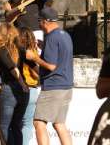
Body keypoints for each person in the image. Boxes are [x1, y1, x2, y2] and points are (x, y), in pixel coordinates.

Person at [25, 7, 73, 145]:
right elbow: (60, 56)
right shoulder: (64, 35)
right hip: (66, 86)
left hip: (53, 87)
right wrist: (43, 45)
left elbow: (52, 66)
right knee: (59, 124)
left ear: (45, 21)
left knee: (39, 122)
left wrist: (34, 57)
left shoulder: (52, 38)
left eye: (39, 21)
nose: (39, 24)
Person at [0, 23, 29, 145]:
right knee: (16, 126)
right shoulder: (21, 49)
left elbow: (13, 69)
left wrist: (21, 83)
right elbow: (33, 66)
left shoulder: (1, 50)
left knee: (4, 125)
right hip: (24, 92)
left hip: (10, 90)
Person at [17, 27, 41, 145]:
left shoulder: (15, 51)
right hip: (31, 89)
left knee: (17, 123)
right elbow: (36, 73)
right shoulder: (32, 52)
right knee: (27, 123)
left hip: (17, 89)